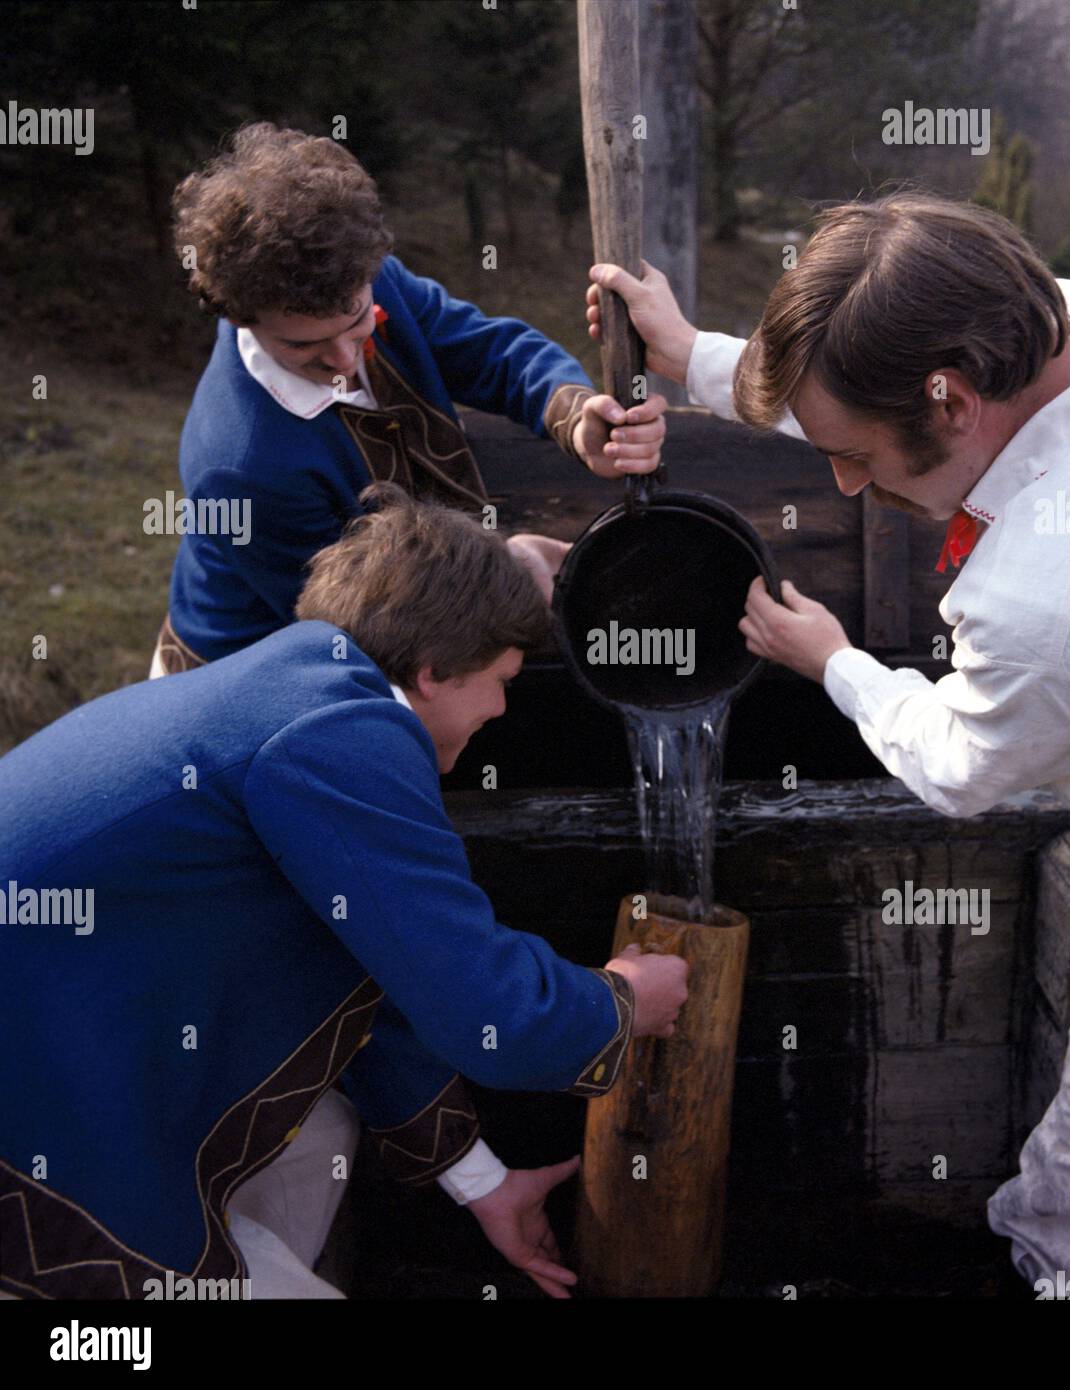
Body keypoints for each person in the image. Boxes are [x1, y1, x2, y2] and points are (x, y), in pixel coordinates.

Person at [588, 191, 1070, 1296]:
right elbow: (869, 387)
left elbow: (960, 767)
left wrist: (836, 663)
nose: (845, 483)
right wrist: (697, 361)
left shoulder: (1060, 599)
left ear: (950, 400)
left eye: (857, 457)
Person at [0, 488, 689, 1300]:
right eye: (501, 679)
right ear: (432, 671)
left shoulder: (301, 681)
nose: (504, 707)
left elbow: (367, 976)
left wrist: (483, 1184)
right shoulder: (341, 734)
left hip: (68, 1031)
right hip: (41, 1100)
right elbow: (489, 1011)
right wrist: (617, 1004)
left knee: (317, 1125)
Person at [152, 122, 667, 675]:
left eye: (356, 324)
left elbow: (486, 352)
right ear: (239, 317)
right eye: (304, 346)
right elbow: (356, 621)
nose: (346, 361)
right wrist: (504, 570)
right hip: (259, 678)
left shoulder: (370, 278)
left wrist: (574, 414)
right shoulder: (240, 466)